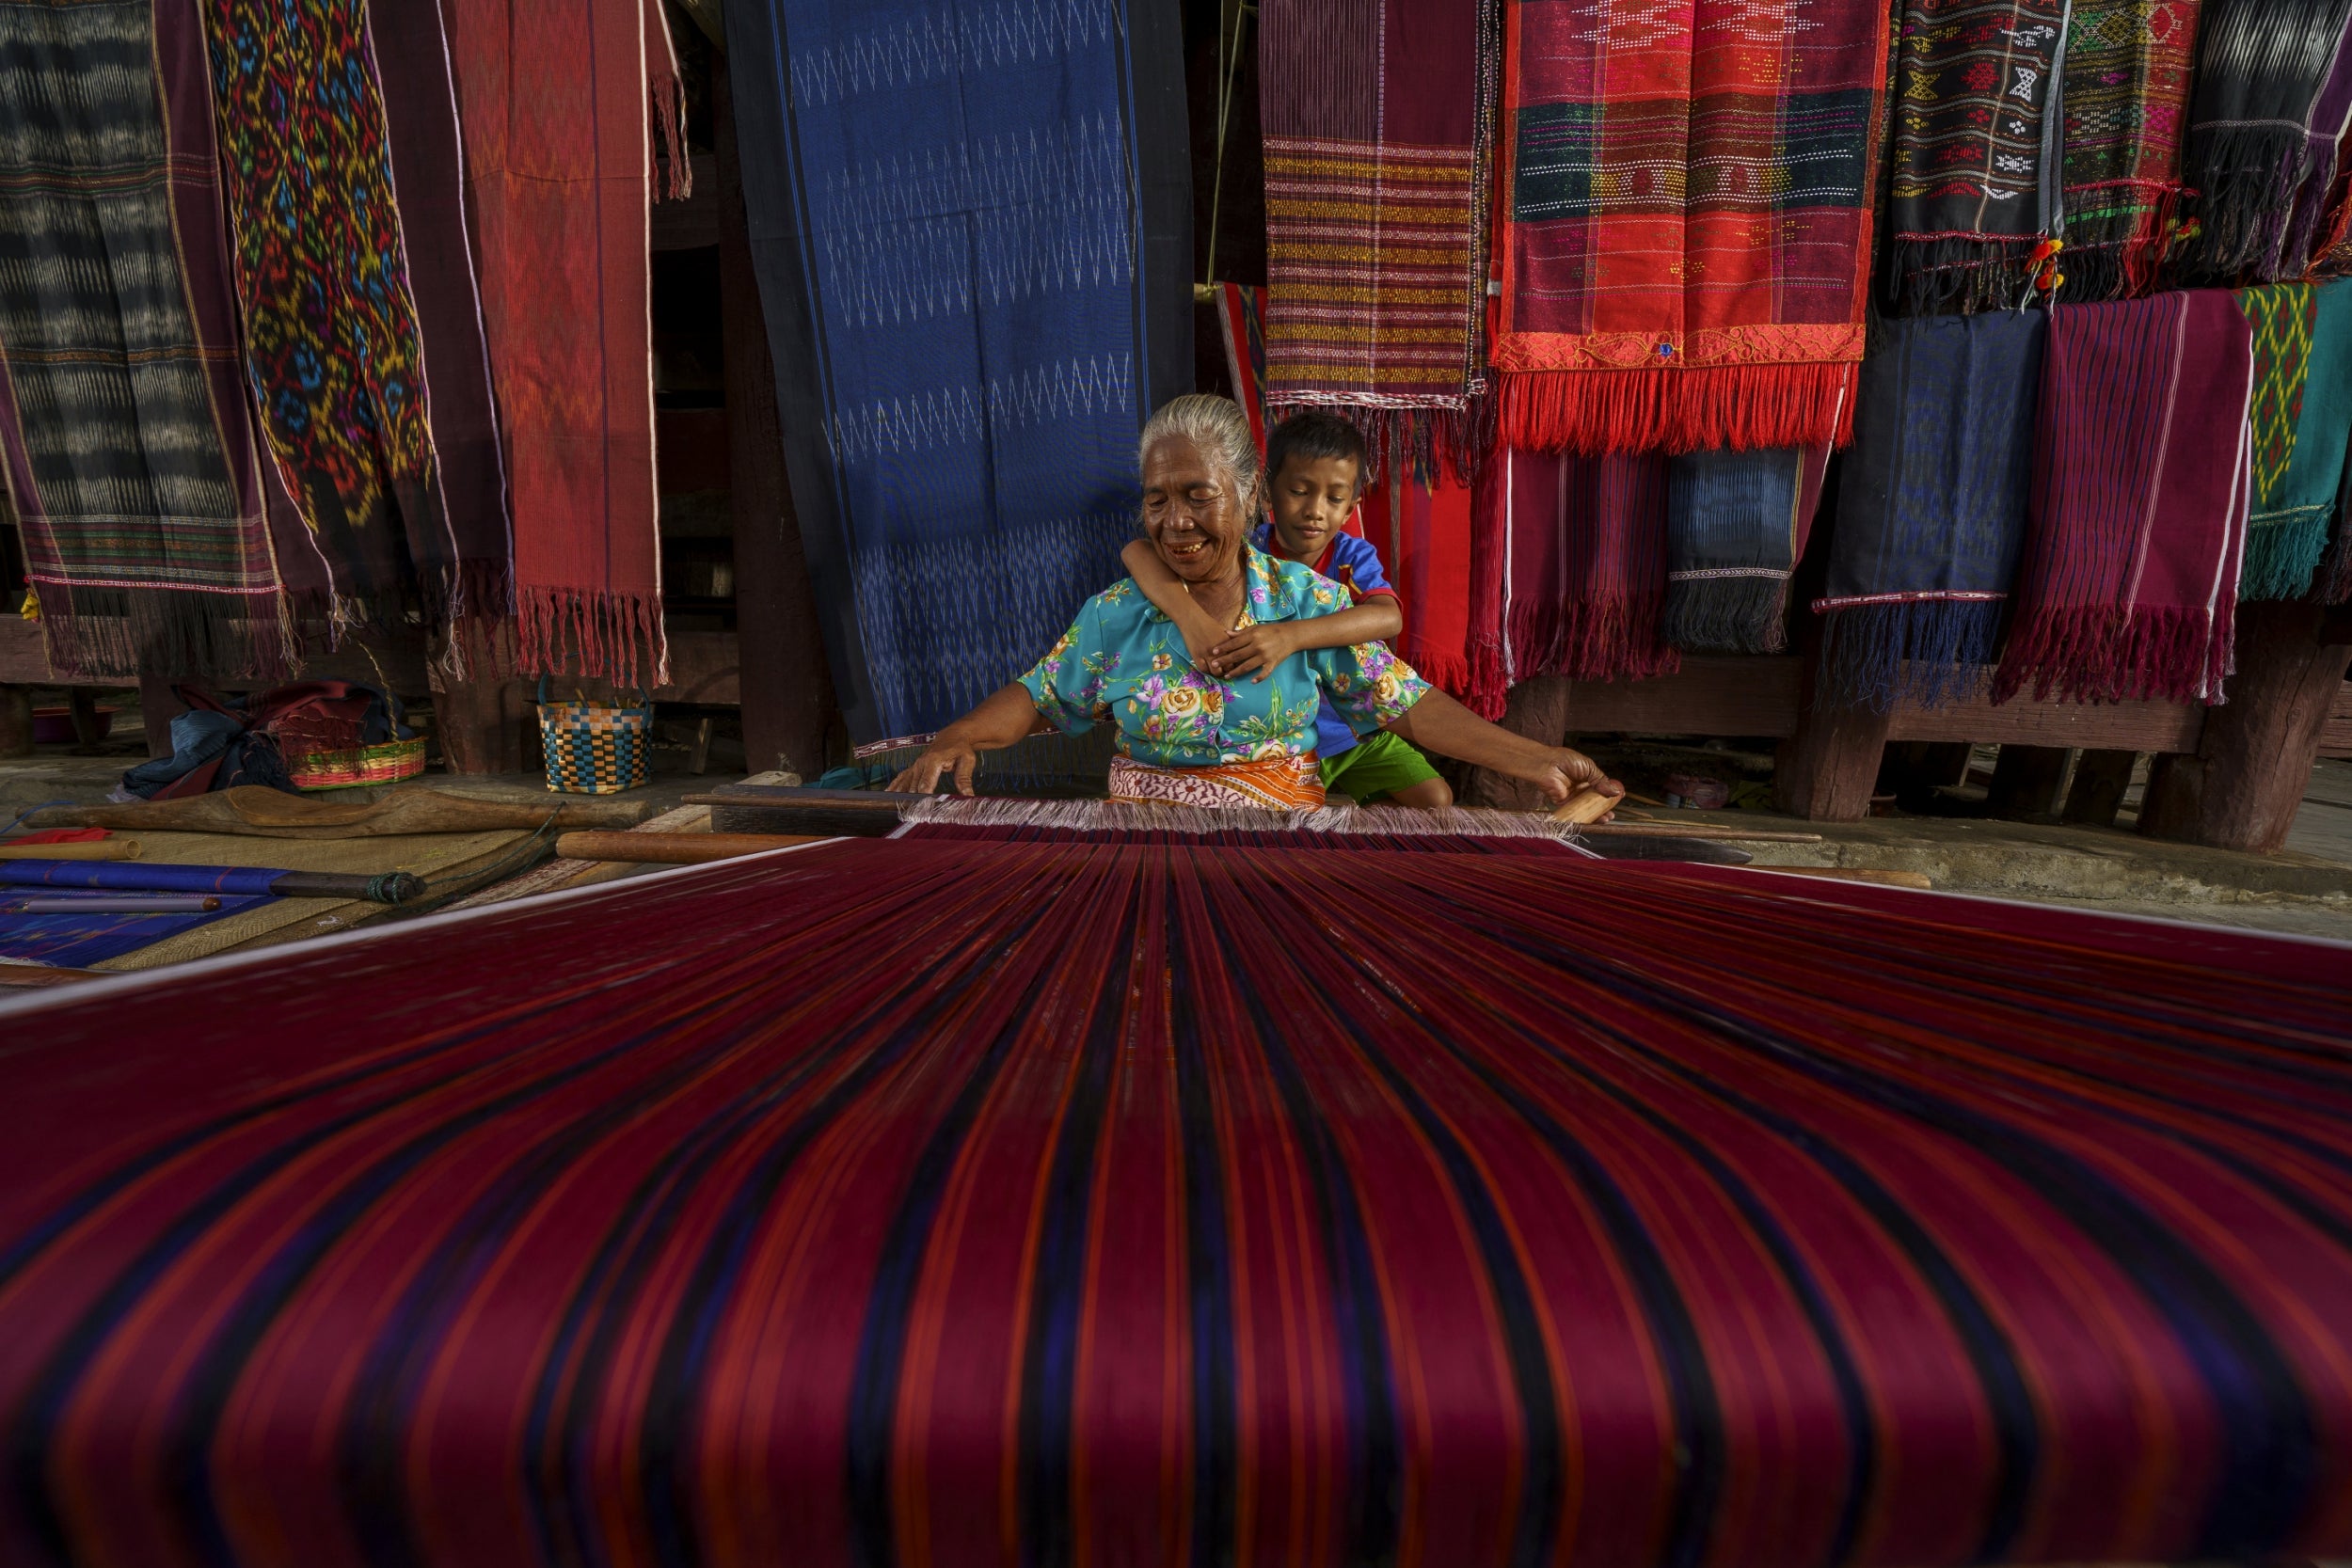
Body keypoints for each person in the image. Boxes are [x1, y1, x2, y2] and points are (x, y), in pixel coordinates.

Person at [889, 394, 1620, 815]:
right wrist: (960, 736)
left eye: (1197, 496)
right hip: (1142, 847)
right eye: (1157, 499)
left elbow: (1412, 705)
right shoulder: (1118, 613)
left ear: (1248, 497)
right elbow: (1039, 694)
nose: (1175, 521)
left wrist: (1540, 759)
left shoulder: (1306, 601)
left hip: (1283, 848)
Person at [1117, 411, 1453, 809]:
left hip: (1352, 733)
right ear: (1265, 495)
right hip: (1282, 739)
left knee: (1435, 798)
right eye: (1299, 491)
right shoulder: (1247, 553)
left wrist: (1289, 637)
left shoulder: (1350, 557)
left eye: (1334, 498)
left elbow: (1387, 616)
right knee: (1290, 813)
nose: (1315, 510)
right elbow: (1136, 551)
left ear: (1350, 509)